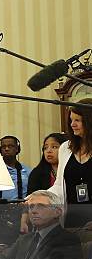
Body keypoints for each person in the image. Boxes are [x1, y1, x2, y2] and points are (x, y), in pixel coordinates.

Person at [48, 98, 92, 230]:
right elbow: (59, 185)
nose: (72, 124)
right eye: (71, 120)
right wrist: (41, 196)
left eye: (77, 120)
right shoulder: (65, 148)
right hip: (71, 222)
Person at [19, 133, 68, 233]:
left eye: (54, 147)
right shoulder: (37, 173)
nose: (49, 151)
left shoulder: (71, 170)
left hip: (70, 217)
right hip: (45, 222)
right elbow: (30, 199)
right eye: (45, 148)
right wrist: (24, 220)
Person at [0, 135, 31, 200]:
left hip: (21, 208)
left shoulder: (28, 172)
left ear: (17, 149)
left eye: (10, 146)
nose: (6, 149)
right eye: (3, 147)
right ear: (0, 150)